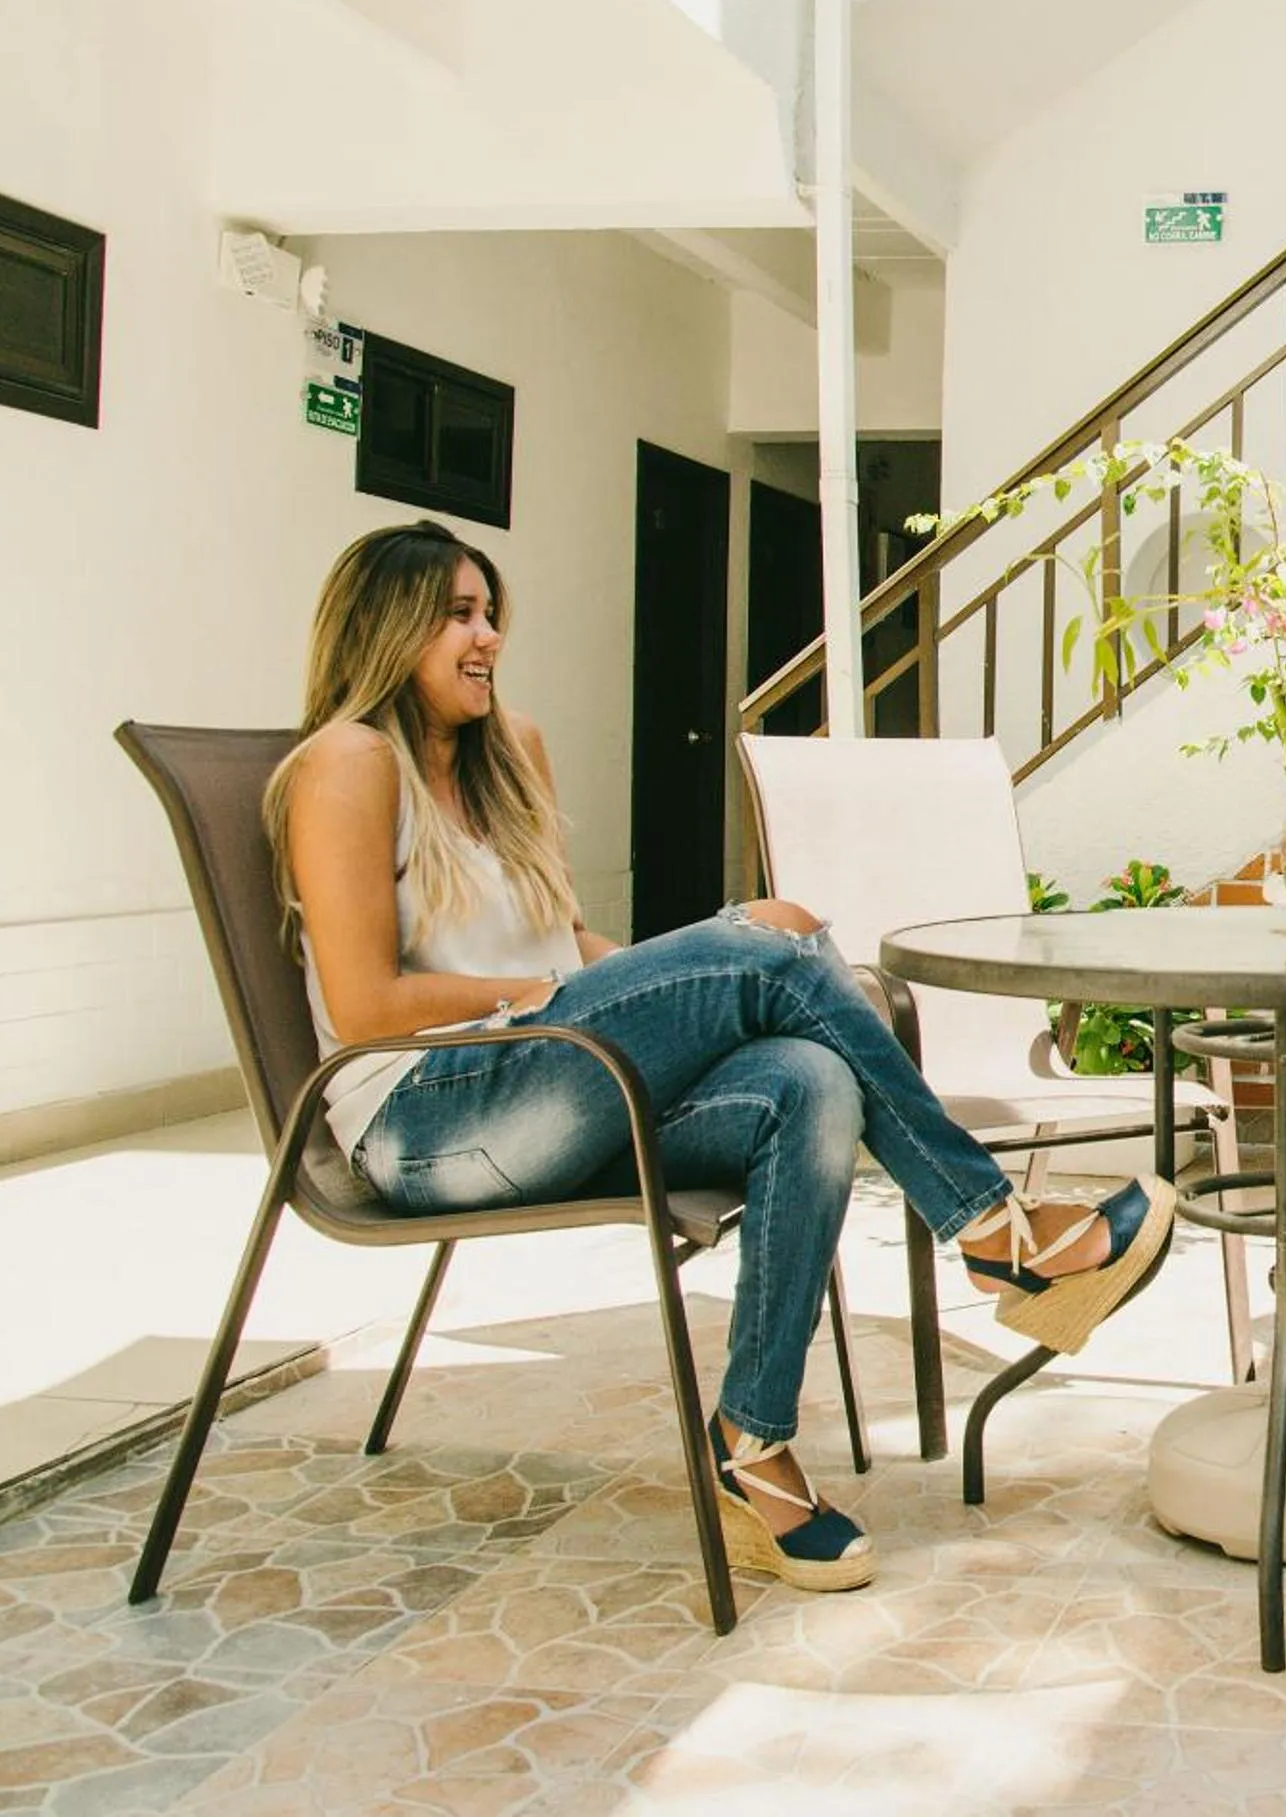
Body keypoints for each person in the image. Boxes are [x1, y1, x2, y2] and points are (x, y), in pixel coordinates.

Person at [270, 520, 1175, 1596]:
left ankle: (752, 1448)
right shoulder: (346, 762)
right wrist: (582, 991)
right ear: (386, 627)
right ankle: (994, 1233)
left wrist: (640, 982)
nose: (489, 634)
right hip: (428, 1122)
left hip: (550, 1084)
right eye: (458, 614)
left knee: (811, 1077)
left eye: (489, 610)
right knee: (775, 939)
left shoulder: (507, 752)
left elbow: (569, 952)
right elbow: (366, 1003)